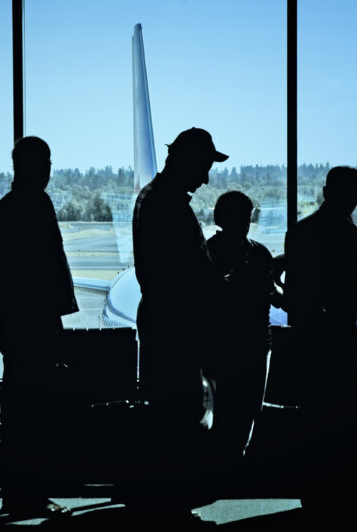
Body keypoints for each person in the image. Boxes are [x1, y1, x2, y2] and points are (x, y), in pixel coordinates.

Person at [131, 127, 228, 522]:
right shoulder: (169, 205)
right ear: (187, 161)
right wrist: (226, 287)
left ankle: (162, 502)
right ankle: (170, 507)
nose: (205, 178)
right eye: (204, 167)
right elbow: (190, 276)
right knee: (178, 413)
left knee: (166, 412)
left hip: (162, 320)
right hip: (178, 326)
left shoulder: (152, 198)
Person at [0, 136, 78, 517]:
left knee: (23, 407)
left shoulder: (10, 207)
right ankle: (28, 494)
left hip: (20, 321)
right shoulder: (33, 204)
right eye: (46, 162)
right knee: (32, 410)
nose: (49, 170)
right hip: (32, 322)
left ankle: (20, 492)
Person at [282, 165, 357, 514]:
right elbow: (354, 291)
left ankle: (312, 489)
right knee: (342, 415)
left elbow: (295, 294)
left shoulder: (301, 231)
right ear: (356, 197)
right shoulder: (348, 233)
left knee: (312, 414)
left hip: (308, 338)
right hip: (339, 337)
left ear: (324, 191)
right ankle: (336, 489)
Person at [206, 191, 281, 466]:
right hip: (253, 342)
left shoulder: (208, 251)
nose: (245, 223)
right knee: (247, 408)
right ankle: (234, 461)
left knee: (229, 407)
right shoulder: (258, 252)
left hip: (227, 343)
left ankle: (225, 462)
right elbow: (273, 293)